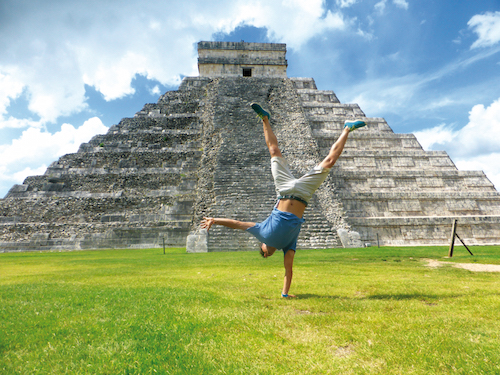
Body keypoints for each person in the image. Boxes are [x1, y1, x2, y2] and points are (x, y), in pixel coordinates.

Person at [201, 103, 366, 298]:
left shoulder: (262, 232)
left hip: (284, 190)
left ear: (262, 247)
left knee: (274, 151)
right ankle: (347, 128)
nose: (265, 254)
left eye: (262, 252)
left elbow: (237, 224)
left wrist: (215, 220)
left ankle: (264, 118)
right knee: (329, 162)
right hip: (304, 193)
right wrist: (285, 295)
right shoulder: (288, 245)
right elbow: (288, 271)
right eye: (266, 256)